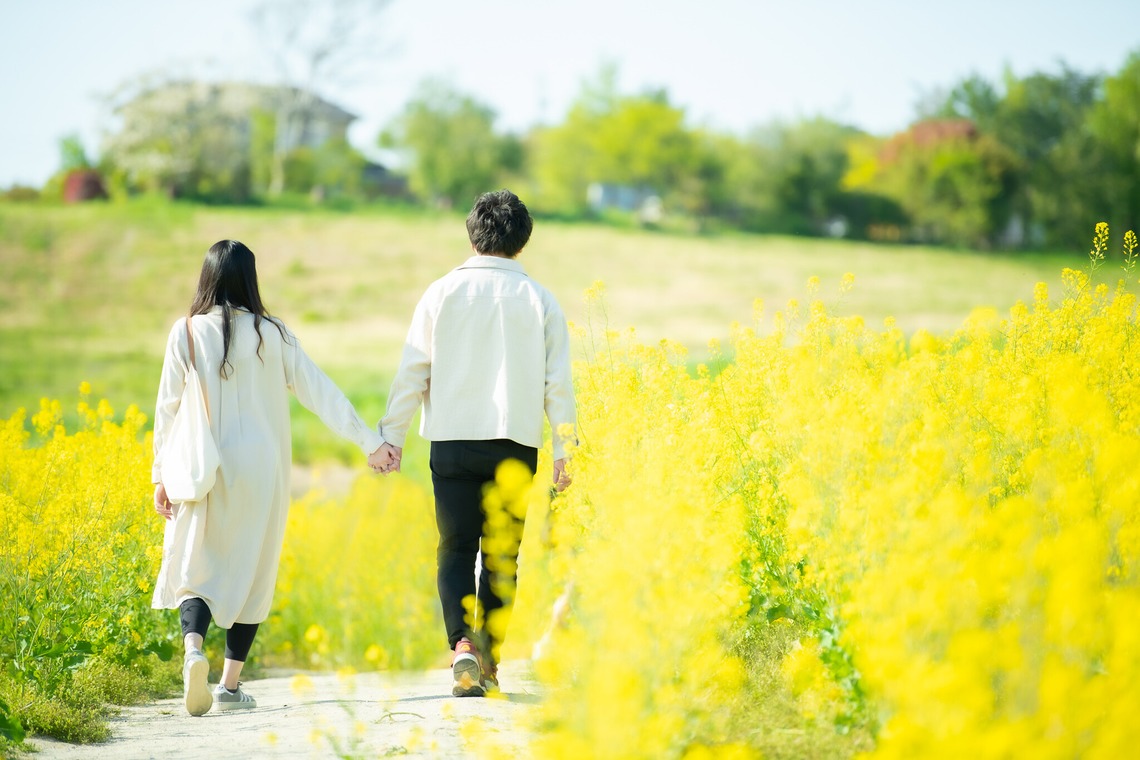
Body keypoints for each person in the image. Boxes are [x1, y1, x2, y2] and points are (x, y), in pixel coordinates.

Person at [151, 240, 394, 716]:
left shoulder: (185, 333)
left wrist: (160, 474)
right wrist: (370, 442)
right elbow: (319, 391)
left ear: (207, 278)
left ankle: (194, 649)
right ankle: (228, 686)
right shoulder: (273, 334)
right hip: (263, 470)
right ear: (249, 279)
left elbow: (167, 409)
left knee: (195, 564)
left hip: (205, 466)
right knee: (254, 569)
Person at [370, 189, 576, 697]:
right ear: (522, 241)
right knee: (502, 555)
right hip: (514, 441)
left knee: (455, 548)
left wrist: (391, 437)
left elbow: (413, 370)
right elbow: (558, 383)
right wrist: (565, 448)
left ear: (472, 233)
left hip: (453, 440)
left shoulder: (440, 293)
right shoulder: (540, 299)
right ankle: (489, 660)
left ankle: (461, 648)